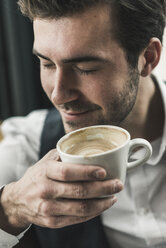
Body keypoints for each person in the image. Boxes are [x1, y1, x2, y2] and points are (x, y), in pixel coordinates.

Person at [0, 0, 166, 247]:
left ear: (148, 58)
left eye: (85, 68)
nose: (58, 95)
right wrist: (10, 209)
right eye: (46, 63)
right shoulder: (24, 146)